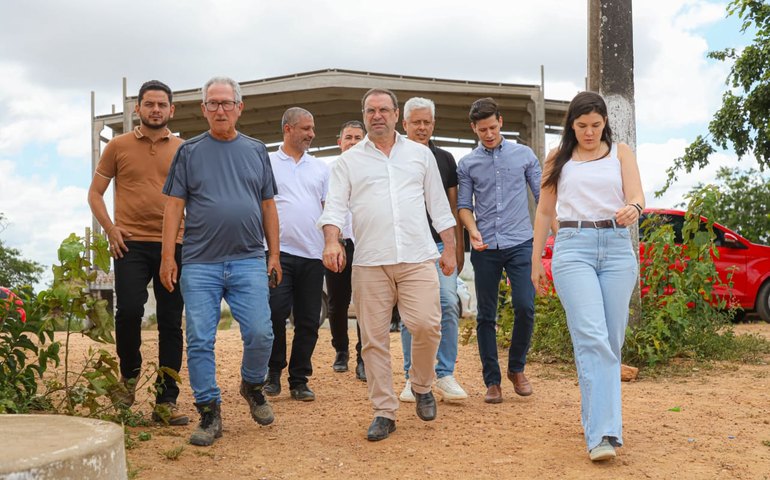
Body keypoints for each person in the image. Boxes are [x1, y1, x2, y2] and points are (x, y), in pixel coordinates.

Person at [318, 88, 457, 442]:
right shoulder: (348, 162)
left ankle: (423, 384)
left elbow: (439, 206)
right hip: (370, 262)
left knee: (427, 324)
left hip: (417, 257)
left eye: (383, 109)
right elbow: (334, 207)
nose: (377, 115)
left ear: (397, 114)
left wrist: (451, 249)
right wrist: (332, 240)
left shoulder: (419, 155)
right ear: (364, 115)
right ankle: (384, 410)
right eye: (370, 110)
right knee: (374, 340)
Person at [160, 76, 280, 447]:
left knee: (262, 333)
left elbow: (267, 205)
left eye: (226, 103)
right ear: (203, 109)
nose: (220, 109)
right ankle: (209, 412)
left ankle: (252, 385)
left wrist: (273, 253)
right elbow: (174, 205)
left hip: (247, 259)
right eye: (212, 103)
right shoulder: (190, 152)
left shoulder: (256, 150)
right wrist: (168, 256)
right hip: (199, 262)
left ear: (239, 107)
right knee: (199, 338)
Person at [530, 91, 643, 461]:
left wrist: (632, 208)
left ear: (605, 122)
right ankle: (603, 435)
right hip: (573, 248)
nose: (590, 132)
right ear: (571, 125)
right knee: (592, 337)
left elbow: (638, 196)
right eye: (582, 126)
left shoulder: (621, 153)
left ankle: (596, 419)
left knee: (610, 342)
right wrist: (536, 263)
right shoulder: (557, 159)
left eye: (596, 125)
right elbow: (545, 214)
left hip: (615, 247)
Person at [87, 80, 188, 425]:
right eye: (149, 104)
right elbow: (95, 194)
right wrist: (111, 229)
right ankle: (128, 382)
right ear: (137, 109)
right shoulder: (118, 145)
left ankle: (166, 401)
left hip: (174, 244)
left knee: (171, 321)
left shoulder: (183, 149)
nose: (155, 110)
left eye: (162, 105)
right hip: (129, 243)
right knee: (129, 311)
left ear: (171, 110)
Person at [457, 97, 541, 404]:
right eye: (482, 130)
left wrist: (556, 232)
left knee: (525, 306)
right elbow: (464, 206)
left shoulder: (524, 155)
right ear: (474, 129)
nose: (489, 134)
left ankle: (516, 369)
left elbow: (542, 196)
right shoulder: (468, 164)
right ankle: (492, 381)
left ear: (500, 122)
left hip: (520, 243)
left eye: (492, 127)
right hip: (485, 247)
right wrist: (472, 229)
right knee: (486, 315)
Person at [398, 97, 467, 404]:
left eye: (427, 122)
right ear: (405, 125)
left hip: (440, 245)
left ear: (433, 125)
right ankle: (411, 376)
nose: (422, 127)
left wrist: (456, 249)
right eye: (416, 122)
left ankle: (444, 373)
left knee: (448, 303)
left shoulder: (445, 159)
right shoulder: (394, 158)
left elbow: (452, 207)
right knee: (410, 314)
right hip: (409, 247)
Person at [263, 107, 329, 402]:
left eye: (312, 129)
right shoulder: (266, 163)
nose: (311, 134)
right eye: (305, 128)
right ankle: (273, 372)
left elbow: (330, 208)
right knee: (275, 313)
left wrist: (332, 244)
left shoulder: (321, 168)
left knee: (308, 320)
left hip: (313, 255)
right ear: (287, 129)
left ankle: (299, 379)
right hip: (278, 253)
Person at [326, 120, 367, 381]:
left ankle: (364, 356)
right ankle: (341, 350)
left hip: (366, 244)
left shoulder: (372, 170)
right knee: (337, 302)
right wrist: (334, 239)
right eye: (348, 137)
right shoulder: (328, 171)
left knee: (366, 302)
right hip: (340, 242)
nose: (352, 142)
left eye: (358, 138)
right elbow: (326, 206)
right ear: (339, 141)